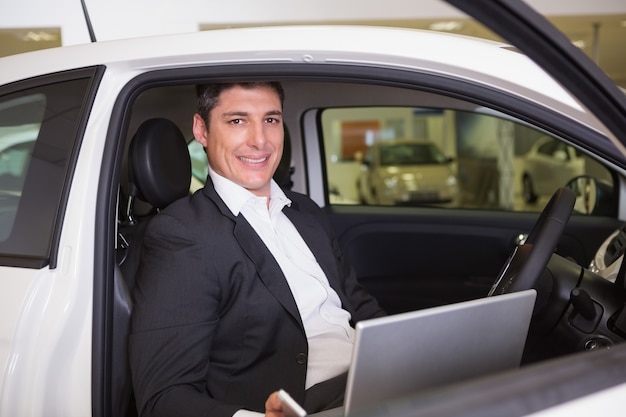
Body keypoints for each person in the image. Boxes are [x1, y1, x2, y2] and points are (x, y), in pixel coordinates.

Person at [129, 81, 385, 417]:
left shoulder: (305, 211)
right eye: (237, 121)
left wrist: (410, 358)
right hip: (311, 405)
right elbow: (164, 397)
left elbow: (363, 311)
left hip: (375, 385)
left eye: (270, 120)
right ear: (201, 130)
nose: (260, 140)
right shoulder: (182, 234)